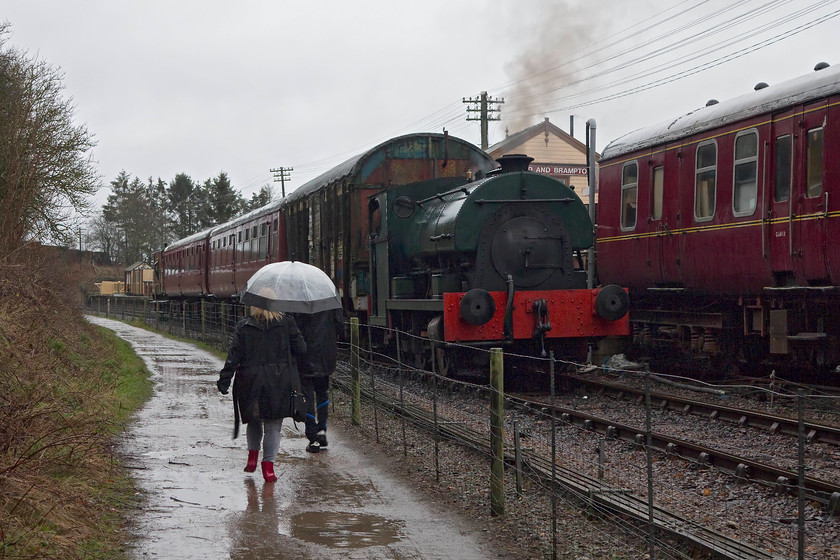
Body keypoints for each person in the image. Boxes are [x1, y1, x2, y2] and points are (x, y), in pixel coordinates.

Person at [216, 301, 306, 482]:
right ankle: (269, 468)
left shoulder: (244, 325)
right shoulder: (287, 323)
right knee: (273, 425)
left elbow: (234, 355)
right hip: (278, 381)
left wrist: (224, 380)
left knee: (254, 419)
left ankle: (252, 458)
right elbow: (302, 349)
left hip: (250, 380)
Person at [292, 307, 343, 453]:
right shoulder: (328, 299)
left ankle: (312, 438)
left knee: (307, 396)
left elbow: (291, 327)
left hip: (304, 355)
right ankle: (322, 430)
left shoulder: (296, 300)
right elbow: (340, 325)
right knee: (322, 392)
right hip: (325, 354)